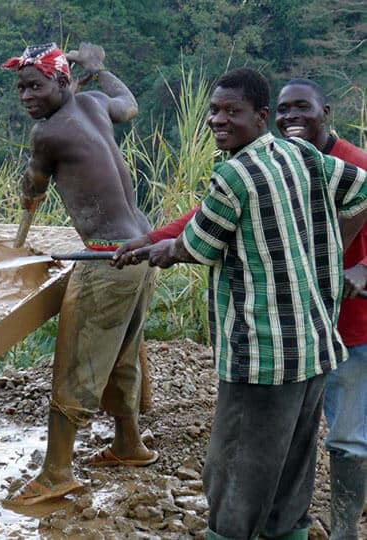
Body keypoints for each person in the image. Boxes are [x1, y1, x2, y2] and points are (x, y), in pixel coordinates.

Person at [113, 68, 367, 539]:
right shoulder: (300, 153)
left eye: (233, 112)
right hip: (313, 347)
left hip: (262, 356)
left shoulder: (233, 174)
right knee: (292, 469)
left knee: (234, 472)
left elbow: (197, 245)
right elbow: (361, 188)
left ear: (261, 117)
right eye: (214, 111)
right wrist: (326, 249)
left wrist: (162, 250)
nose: (218, 120)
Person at [1, 42, 157, 506]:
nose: (27, 96)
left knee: (76, 361)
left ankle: (55, 473)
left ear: (63, 81)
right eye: (21, 88)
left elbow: (35, 183)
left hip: (107, 257)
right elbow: (128, 104)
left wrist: (27, 191)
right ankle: (128, 443)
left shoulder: (48, 134)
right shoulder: (93, 104)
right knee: (121, 352)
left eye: (36, 85)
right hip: (142, 248)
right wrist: (100, 69)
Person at [276, 79, 367, 540]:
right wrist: (155, 241)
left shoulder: (355, 165)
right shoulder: (283, 164)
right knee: (296, 432)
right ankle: (292, 522)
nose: (290, 117)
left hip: (353, 328)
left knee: (348, 435)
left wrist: (365, 269)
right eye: (282, 109)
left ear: (325, 112)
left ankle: (346, 531)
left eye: (301, 108)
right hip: (303, 328)